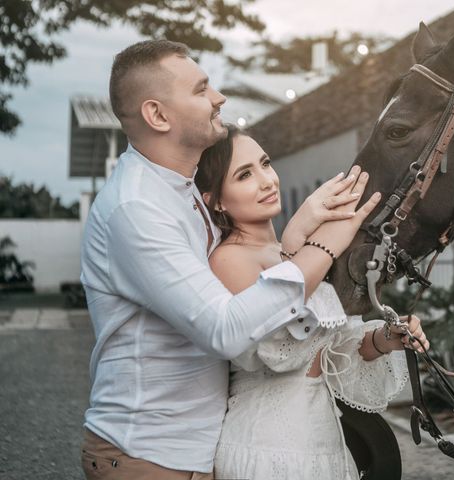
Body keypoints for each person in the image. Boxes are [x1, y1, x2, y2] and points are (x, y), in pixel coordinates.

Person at [80, 39, 381, 480]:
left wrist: (297, 231)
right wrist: (325, 246)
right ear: (157, 115)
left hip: (205, 449)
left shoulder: (183, 194)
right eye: (201, 90)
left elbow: (254, 268)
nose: (219, 98)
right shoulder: (137, 208)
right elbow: (225, 329)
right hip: (147, 455)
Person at [194, 125, 429, 480]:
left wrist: (383, 340)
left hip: (324, 444)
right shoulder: (230, 259)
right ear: (216, 200)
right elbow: (276, 351)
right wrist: (298, 244)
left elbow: (330, 356)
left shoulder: (295, 255)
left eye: (265, 163)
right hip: (267, 449)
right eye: (244, 175)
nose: (266, 180)